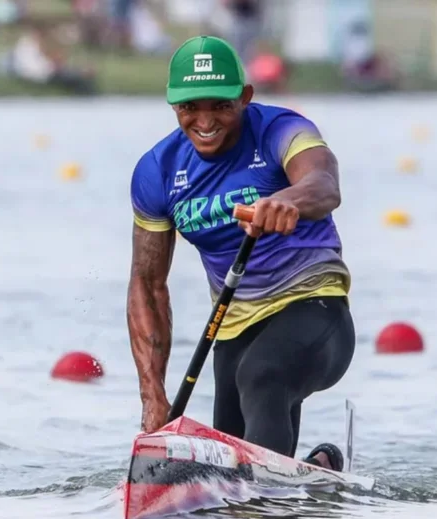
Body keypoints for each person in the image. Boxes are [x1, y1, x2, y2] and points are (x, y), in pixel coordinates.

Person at [127, 35, 353, 472]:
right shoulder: (157, 171)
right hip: (232, 329)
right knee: (229, 451)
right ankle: (313, 472)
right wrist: (153, 395)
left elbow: (324, 183)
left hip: (314, 308)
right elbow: (148, 284)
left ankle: (260, 509)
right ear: (173, 105)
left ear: (244, 97)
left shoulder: (282, 130)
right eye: (189, 107)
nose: (205, 120)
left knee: (263, 376)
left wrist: (290, 200)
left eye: (221, 105)